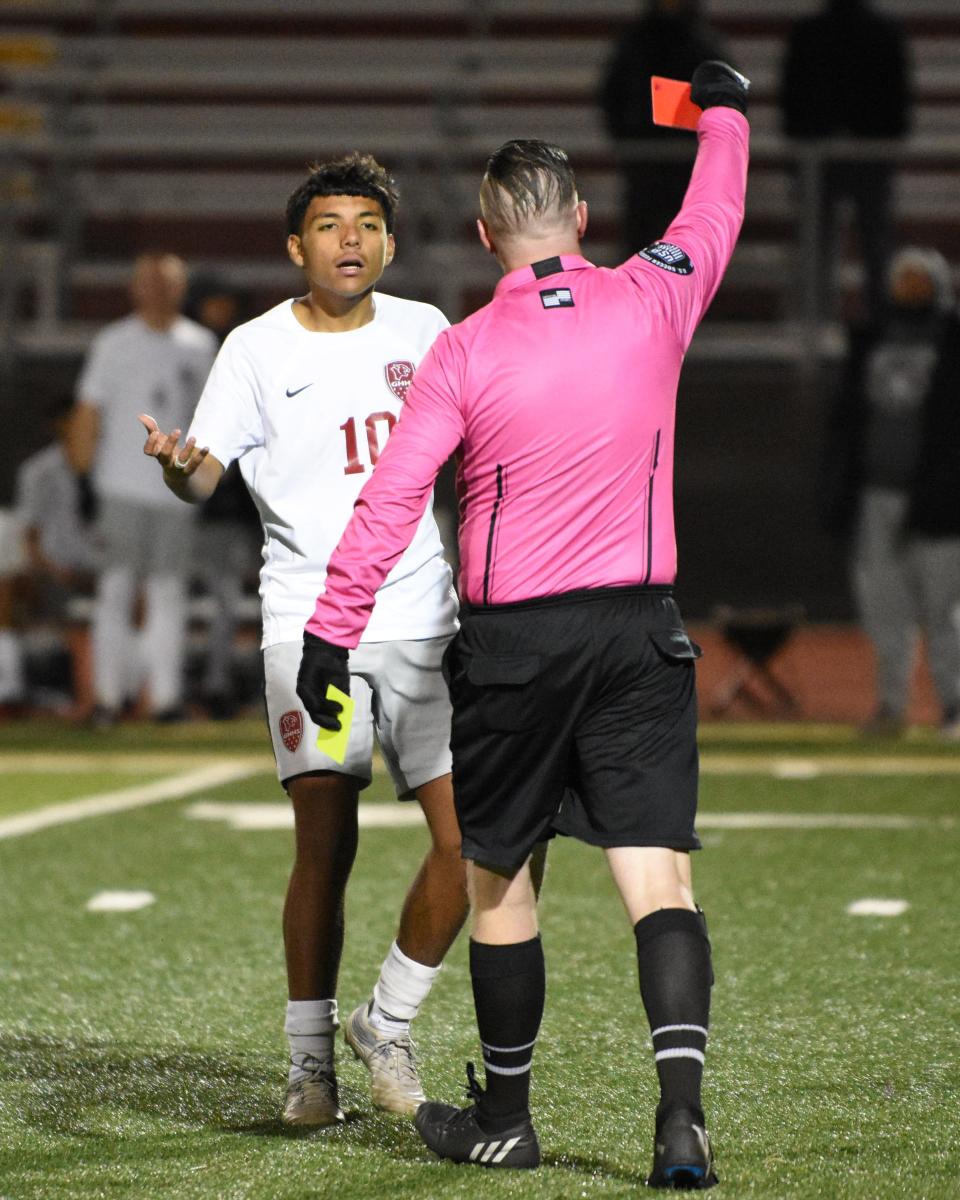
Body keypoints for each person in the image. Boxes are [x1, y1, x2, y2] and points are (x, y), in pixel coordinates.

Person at [297, 63, 749, 1184]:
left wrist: (327, 635)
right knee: (660, 881)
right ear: (582, 221)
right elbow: (716, 204)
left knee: (502, 877)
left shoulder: (460, 350)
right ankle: (681, 1118)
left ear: (486, 229)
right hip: (642, 631)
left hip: (515, 646)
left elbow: (392, 498)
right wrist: (724, 106)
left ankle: (508, 1117)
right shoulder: (655, 290)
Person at [138, 153, 469, 1127]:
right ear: (296, 246)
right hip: (307, 623)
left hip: (423, 616)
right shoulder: (253, 347)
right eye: (328, 224)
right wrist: (176, 468)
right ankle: (309, 1069)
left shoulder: (429, 332)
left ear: (392, 242)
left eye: (366, 223)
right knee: (325, 843)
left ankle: (389, 1020)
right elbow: (205, 481)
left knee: (483, 836)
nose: (350, 240)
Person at [69, 252, 219, 724]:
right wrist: (82, 473)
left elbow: (213, 416)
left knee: (169, 594)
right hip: (121, 486)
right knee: (115, 591)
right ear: (134, 288)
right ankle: (109, 698)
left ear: (181, 288)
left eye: (167, 282)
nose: (157, 289)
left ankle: (166, 699)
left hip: (175, 489)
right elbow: (89, 410)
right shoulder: (114, 343)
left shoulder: (200, 344)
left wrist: (206, 476)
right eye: (148, 281)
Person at [824, 247, 960, 739]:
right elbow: (847, 422)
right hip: (877, 494)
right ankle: (890, 705)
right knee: (885, 610)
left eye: (918, 280)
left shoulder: (952, 341)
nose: (909, 289)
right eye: (902, 279)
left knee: (943, 609)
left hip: (940, 503)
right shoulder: (871, 337)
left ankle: (954, 706)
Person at [779, 0, 911, 321]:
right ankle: (819, 322)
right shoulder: (878, 31)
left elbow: (897, 98)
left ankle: (872, 321)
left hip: (861, 155)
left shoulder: (812, 32)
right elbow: (793, 97)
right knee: (821, 245)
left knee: (868, 246)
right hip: (828, 157)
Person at [599, 0, 729, 256]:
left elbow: (723, 98)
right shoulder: (635, 42)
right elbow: (613, 95)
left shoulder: (704, 43)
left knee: (688, 249)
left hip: (688, 168)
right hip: (644, 167)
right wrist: (631, 138)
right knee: (639, 247)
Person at [15, 394, 101, 718]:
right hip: (58, 570)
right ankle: (86, 700)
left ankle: (118, 699)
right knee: (78, 626)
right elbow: (30, 533)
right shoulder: (39, 470)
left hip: (98, 568)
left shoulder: (103, 465)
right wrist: (48, 570)